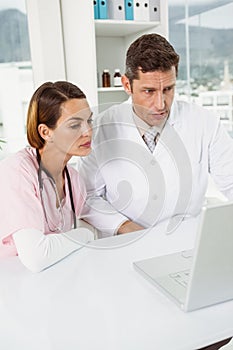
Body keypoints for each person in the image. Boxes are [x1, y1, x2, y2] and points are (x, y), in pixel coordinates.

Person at [78, 34, 233, 349]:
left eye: (168, 89)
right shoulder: (102, 129)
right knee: (135, 334)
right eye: (148, 91)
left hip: (187, 253)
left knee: (203, 333)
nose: (160, 103)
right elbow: (88, 198)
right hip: (123, 254)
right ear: (126, 84)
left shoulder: (204, 122)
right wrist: (131, 230)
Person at [0, 81, 95, 272]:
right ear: (45, 132)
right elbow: (37, 257)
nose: (88, 132)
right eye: (75, 125)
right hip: (12, 286)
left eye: (89, 121)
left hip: (52, 282)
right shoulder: (18, 171)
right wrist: (86, 234)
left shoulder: (74, 180)